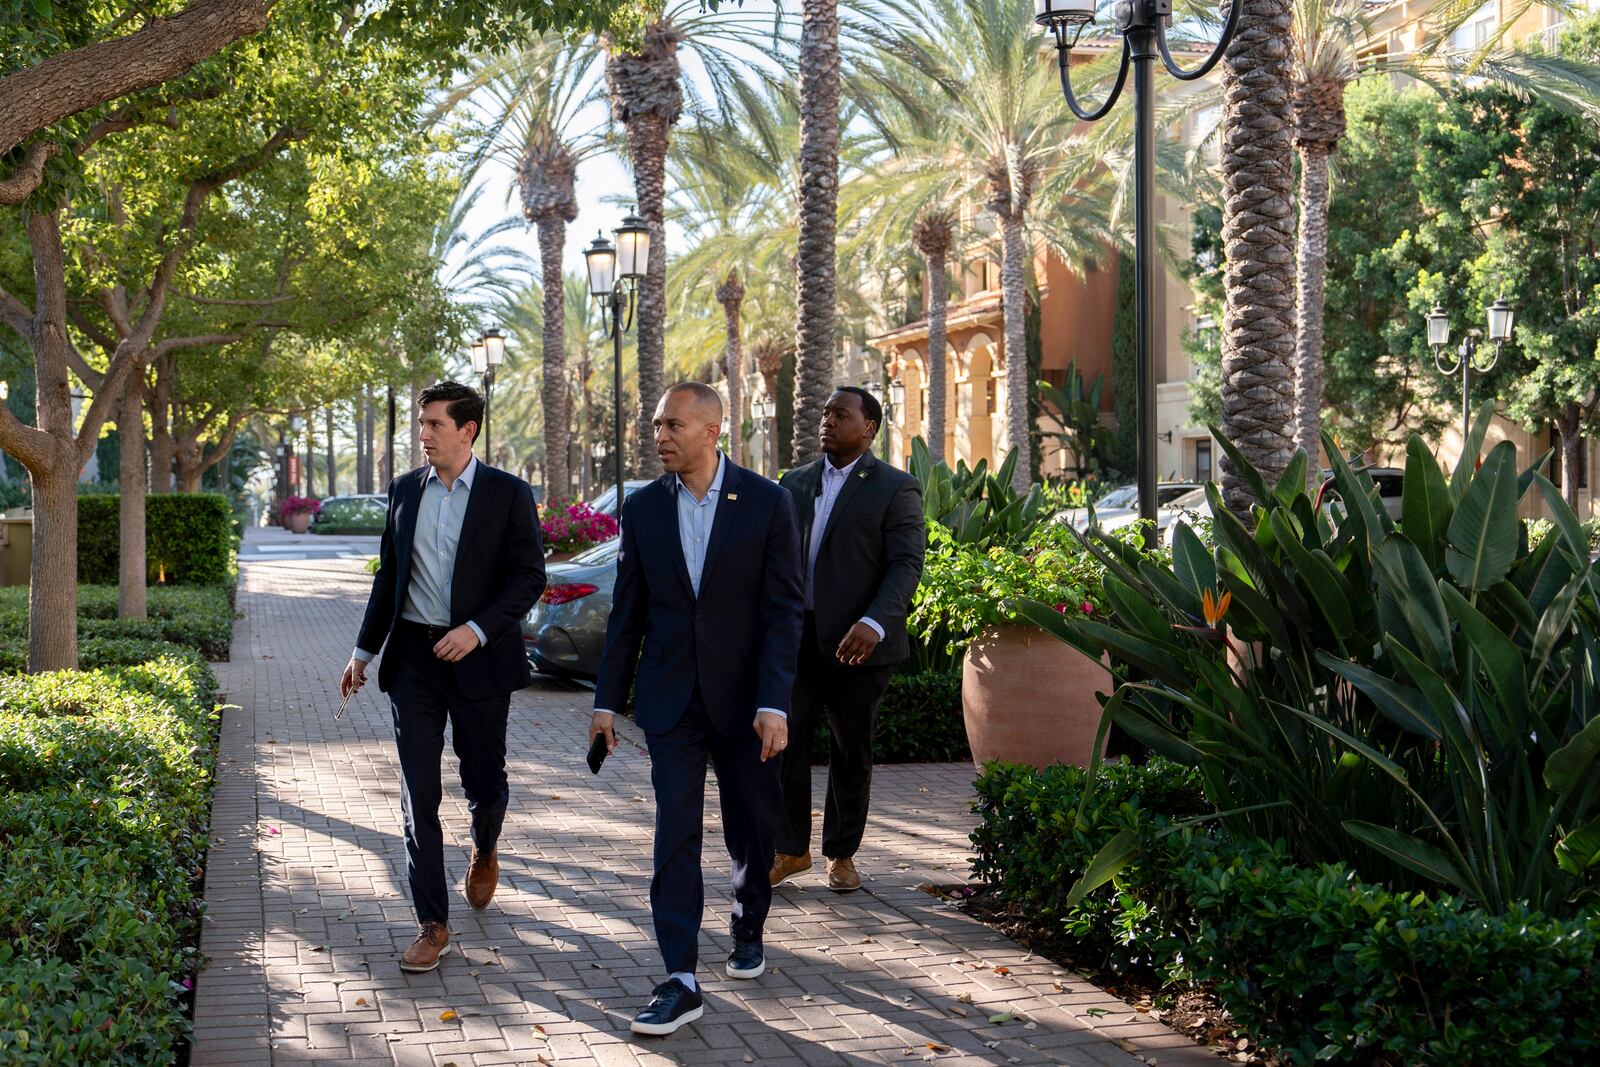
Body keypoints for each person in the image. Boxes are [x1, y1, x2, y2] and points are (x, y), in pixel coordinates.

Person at [589, 382, 803, 1036]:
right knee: (674, 831)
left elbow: (782, 610)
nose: (660, 436)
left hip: (745, 703)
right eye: (656, 424)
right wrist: (605, 703)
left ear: (712, 430)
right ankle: (680, 976)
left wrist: (774, 701)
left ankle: (748, 920)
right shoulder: (645, 508)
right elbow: (627, 613)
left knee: (750, 821)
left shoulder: (768, 502)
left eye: (673, 424)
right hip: (671, 700)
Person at [339, 380, 546, 974]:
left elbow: (529, 578)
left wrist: (477, 629)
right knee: (418, 793)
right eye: (421, 424)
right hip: (414, 663)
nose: (423, 435)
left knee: (484, 778)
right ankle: (433, 923)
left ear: (467, 430)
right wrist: (362, 651)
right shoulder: (405, 489)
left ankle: (485, 844)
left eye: (433, 424)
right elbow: (390, 576)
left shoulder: (508, 494)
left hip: (480, 660)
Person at [770, 387, 925, 893]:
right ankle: (791, 849)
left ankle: (842, 853)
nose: (828, 421)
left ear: (870, 427)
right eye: (825, 413)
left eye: (841, 414)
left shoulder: (894, 487)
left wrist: (874, 623)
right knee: (784, 743)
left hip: (858, 645)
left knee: (850, 749)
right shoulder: (793, 483)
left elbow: (906, 564)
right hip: (796, 640)